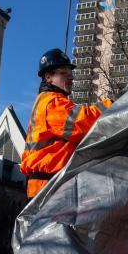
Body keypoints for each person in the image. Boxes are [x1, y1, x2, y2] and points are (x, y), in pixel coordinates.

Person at [21, 48, 111, 198]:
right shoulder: (51, 103)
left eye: (70, 73)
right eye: (63, 72)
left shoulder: (51, 101)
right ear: (48, 77)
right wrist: (115, 104)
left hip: (48, 184)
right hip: (48, 187)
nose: (70, 77)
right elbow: (84, 122)